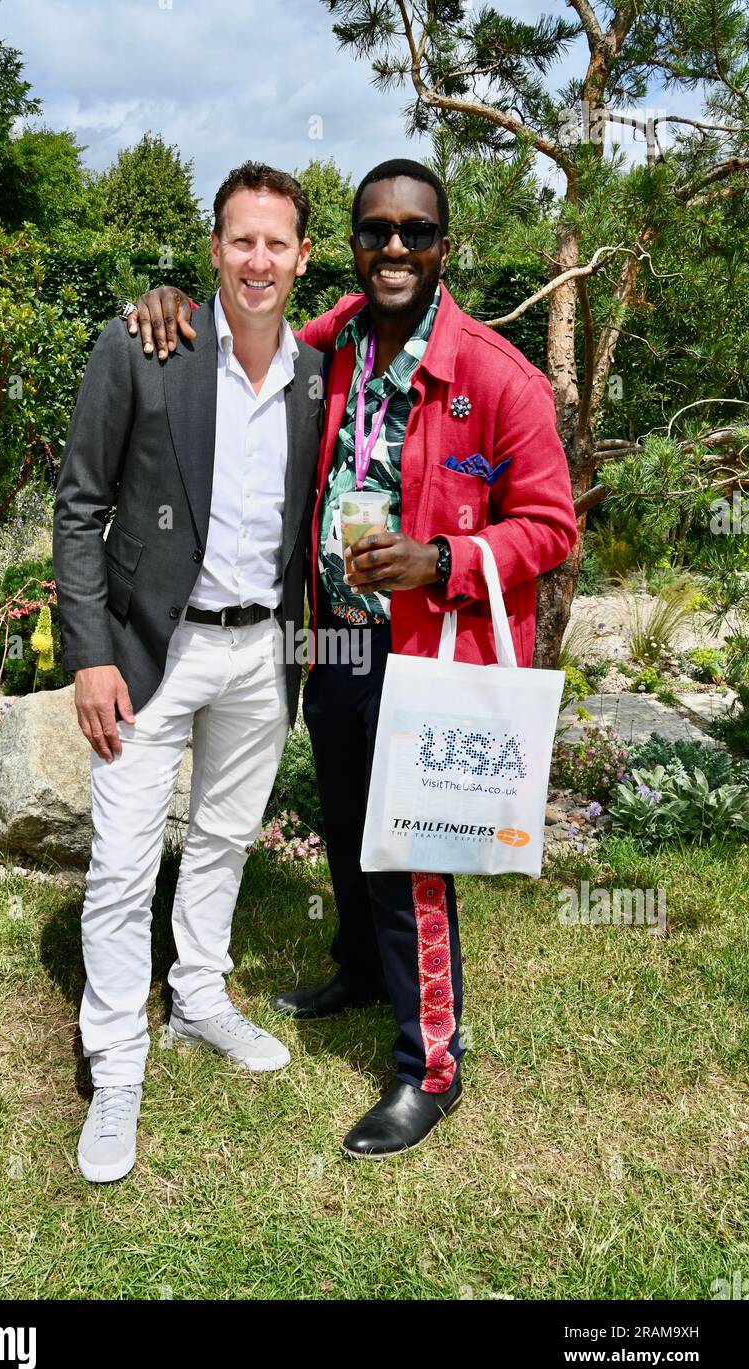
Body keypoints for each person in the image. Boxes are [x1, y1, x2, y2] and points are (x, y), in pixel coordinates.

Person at [127, 157, 578, 1158]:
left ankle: (430, 1066)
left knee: (411, 857)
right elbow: (248, 322)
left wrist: (447, 557)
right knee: (341, 817)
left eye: (415, 232)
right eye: (375, 231)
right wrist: (169, 303)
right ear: (355, 245)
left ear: (444, 247)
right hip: (331, 636)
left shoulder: (499, 379)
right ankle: (362, 971)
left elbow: (551, 528)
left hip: (425, 647)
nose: (393, 249)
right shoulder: (334, 342)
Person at [53, 163, 327, 1182]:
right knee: (122, 866)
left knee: (220, 836)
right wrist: (87, 653)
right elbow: (81, 504)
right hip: (145, 653)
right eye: (240, 240)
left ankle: (200, 995)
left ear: (303, 258)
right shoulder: (143, 344)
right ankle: (115, 1063)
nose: (259, 260)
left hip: (261, 649)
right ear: (214, 249)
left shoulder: (317, 370)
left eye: (277, 243)